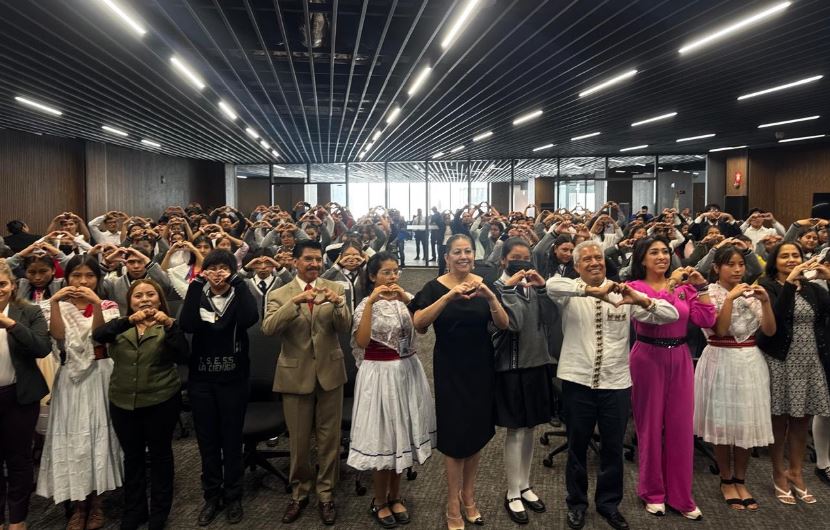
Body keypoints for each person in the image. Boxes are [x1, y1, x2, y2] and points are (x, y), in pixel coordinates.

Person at [546, 241, 678, 530]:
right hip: (577, 380)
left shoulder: (624, 292)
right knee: (577, 446)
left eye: (599, 258)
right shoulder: (569, 291)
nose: (595, 262)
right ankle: (577, 503)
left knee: (612, 448)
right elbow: (551, 285)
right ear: (577, 265)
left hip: (616, 383)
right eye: (588, 259)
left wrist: (641, 299)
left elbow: (672, 314)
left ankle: (608, 505)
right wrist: (592, 291)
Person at [410, 234, 509, 530]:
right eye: (457, 252)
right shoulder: (433, 287)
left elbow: (504, 324)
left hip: (481, 365)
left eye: (467, 251)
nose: (463, 256)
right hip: (450, 366)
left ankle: (469, 495)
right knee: (455, 435)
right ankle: (453, 501)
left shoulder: (485, 283)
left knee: (477, 431)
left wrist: (490, 297)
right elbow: (420, 324)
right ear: (447, 257)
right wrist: (448, 297)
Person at [261, 240, 352, 525]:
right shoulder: (280, 293)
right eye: (308, 259)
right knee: (299, 441)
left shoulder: (336, 288)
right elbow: (268, 328)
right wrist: (294, 303)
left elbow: (345, 327)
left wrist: (338, 304)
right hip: (295, 375)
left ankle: (326, 493)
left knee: (329, 439)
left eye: (318, 260)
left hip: (330, 373)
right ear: (295, 262)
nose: (314, 264)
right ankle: (299, 492)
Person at [626, 237, 717, 520]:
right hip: (647, 356)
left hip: (680, 356)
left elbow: (705, 320)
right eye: (654, 252)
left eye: (665, 251)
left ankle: (681, 495)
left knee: (680, 427)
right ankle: (652, 492)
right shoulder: (634, 288)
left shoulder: (685, 287)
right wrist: (671, 287)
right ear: (642, 259)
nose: (662, 256)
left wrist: (701, 288)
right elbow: (657, 314)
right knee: (650, 426)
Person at [92, 279, 190, 530]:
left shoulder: (169, 325)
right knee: (132, 458)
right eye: (138, 296)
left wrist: (168, 324)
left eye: (150, 295)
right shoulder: (120, 325)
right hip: (123, 401)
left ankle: (159, 512)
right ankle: (135, 511)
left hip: (161, 400)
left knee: (160, 457)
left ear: (159, 299)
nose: (145, 299)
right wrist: (130, 320)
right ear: (130, 301)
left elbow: (182, 354)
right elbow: (99, 335)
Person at [348, 251, 436, 528]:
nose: (391, 277)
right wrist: (373, 302)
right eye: (385, 272)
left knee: (403, 434)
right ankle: (379, 500)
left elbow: (421, 331)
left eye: (395, 271)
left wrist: (409, 301)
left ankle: (396, 495)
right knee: (383, 436)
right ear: (373, 276)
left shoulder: (404, 301)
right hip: (379, 374)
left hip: (407, 371)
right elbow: (362, 342)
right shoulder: (365, 304)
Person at [36, 255, 123, 530]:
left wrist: (96, 304)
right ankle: (78, 505)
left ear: (98, 279)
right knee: (74, 441)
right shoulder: (52, 306)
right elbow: (59, 337)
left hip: (99, 376)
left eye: (89, 276)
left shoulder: (108, 306)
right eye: (76, 276)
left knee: (97, 438)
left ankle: (96, 505)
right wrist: (54, 303)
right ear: (66, 278)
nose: (82, 282)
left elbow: (100, 337)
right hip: (69, 381)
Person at [179, 249, 259, 526]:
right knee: (208, 442)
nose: (217, 273)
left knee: (231, 440)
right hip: (202, 380)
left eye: (223, 268)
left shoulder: (239, 294)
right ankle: (212, 496)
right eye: (212, 268)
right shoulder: (198, 295)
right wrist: (197, 284)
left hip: (234, 380)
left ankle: (233, 495)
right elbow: (187, 324)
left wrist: (237, 281)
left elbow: (250, 319)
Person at [693, 245, 776, 512]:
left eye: (741, 264)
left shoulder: (752, 293)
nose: (738, 269)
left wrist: (764, 301)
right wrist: (729, 299)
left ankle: (741, 479)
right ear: (717, 267)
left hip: (750, 359)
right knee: (722, 422)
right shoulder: (708, 293)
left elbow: (770, 331)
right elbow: (719, 328)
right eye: (731, 264)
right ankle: (726, 479)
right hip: (720, 357)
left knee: (745, 422)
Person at [757, 243, 830, 505]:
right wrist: (788, 283)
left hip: (810, 360)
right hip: (781, 361)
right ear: (774, 261)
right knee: (779, 423)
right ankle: (778, 473)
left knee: (802, 422)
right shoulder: (768, 286)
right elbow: (774, 320)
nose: (791, 260)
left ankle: (796, 472)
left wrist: (828, 278)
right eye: (785, 256)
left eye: (795, 256)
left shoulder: (813, 289)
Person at [492, 239, 556, 525]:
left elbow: (550, 319)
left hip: (537, 363)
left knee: (530, 428)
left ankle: (525, 484)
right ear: (504, 261)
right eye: (515, 259)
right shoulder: (496, 287)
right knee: (515, 431)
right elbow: (514, 323)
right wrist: (510, 288)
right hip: (512, 367)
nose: (522, 263)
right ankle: (512, 491)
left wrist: (542, 289)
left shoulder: (532, 285)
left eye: (526, 258)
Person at [0, 258, 51, 530]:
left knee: (18, 458)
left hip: (19, 397)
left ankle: (18, 519)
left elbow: (42, 348)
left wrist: (9, 324)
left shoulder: (29, 311)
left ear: (11, 286)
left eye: (1, 284)